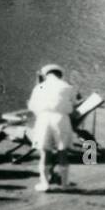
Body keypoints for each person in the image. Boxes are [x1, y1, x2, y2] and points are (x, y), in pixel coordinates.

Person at [27, 63, 77, 192]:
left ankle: (45, 184)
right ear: (60, 75)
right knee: (62, 150)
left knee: (45, 152)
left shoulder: (39, 87)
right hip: (61, 118)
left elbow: (32, 106)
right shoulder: (68, 87)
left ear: (46, 75)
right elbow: (73, 105)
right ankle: (64, 184)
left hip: (43, 119)